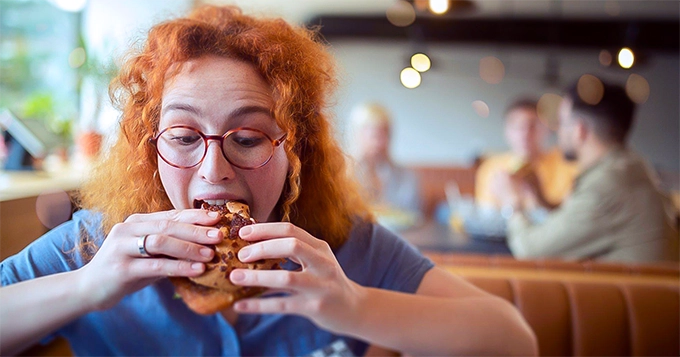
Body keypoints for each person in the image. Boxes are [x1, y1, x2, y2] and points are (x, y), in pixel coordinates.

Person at [0, 5, 537, 357]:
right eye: (185, 136)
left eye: (249, 138)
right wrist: (86, 286)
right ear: (150, 149)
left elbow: (513, 340)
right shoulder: (98, 244)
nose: (214, 170)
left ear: (293, 150)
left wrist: (354, 308)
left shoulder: (342, 248)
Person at [503, 79, 680, 262]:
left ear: (580, 130)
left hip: (629, 290)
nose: (558, 132)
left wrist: (512, 203)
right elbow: (581, 220)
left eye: (562, 122)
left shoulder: (606, 187)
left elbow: (529, 251)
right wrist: (542, 200)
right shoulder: (631, 167)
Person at [475, 99, 577, 211]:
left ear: (545, 129)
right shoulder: (492, 168)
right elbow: (487, 213)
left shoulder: (566, 163)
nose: (524, 133)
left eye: (532, 126)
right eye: (516, 126)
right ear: (506, 131)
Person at [350, 102, 422, 216]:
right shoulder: (342, 175)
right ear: (357, 135)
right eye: (375, 136)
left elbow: (414, 214)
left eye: (386, 136)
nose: (381, 143)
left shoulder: (406, 176)